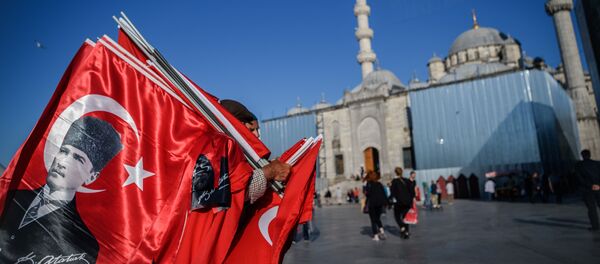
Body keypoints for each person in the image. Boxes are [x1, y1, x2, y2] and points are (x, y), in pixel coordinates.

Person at [0, 116, 123, 263]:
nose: (62, 162)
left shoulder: (83, 244)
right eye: (64, 151)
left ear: (92, 177)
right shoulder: (9, 194)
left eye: (78, 159)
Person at [219, 99, 291, 204]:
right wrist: (270, 171)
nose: (257, 135)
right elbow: (235, 191)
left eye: (257, 130)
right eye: (251, 130)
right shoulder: (219, 153)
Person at [574, 149, 600, 231]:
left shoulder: (579, 165)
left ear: (582, 156)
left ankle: (595, 226)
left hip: (587, 190)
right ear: (590, 155)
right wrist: (598, 185)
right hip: (599, 188)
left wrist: (591, 186)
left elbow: (580, 179)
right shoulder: (597, 163)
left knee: (592, 209)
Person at [390, 168, 415, 239]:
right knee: (405, 217)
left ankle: (402, 227)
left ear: (395, 173)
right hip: (408, 202)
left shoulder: (394, 181)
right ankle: (406, 232)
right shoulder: (406, 180)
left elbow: (393, 192)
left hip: (399, 202)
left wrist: (389, 200)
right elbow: (411, 190)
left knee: (397, 216)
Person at [364, 171, 387, 241]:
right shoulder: (379, 184)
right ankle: (381, 230)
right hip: (379, 204)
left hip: (372, 204)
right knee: (377, 218)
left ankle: (376, 236)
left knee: (373, 220)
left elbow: (367, 194)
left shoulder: (369, 184)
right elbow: (383, 193)